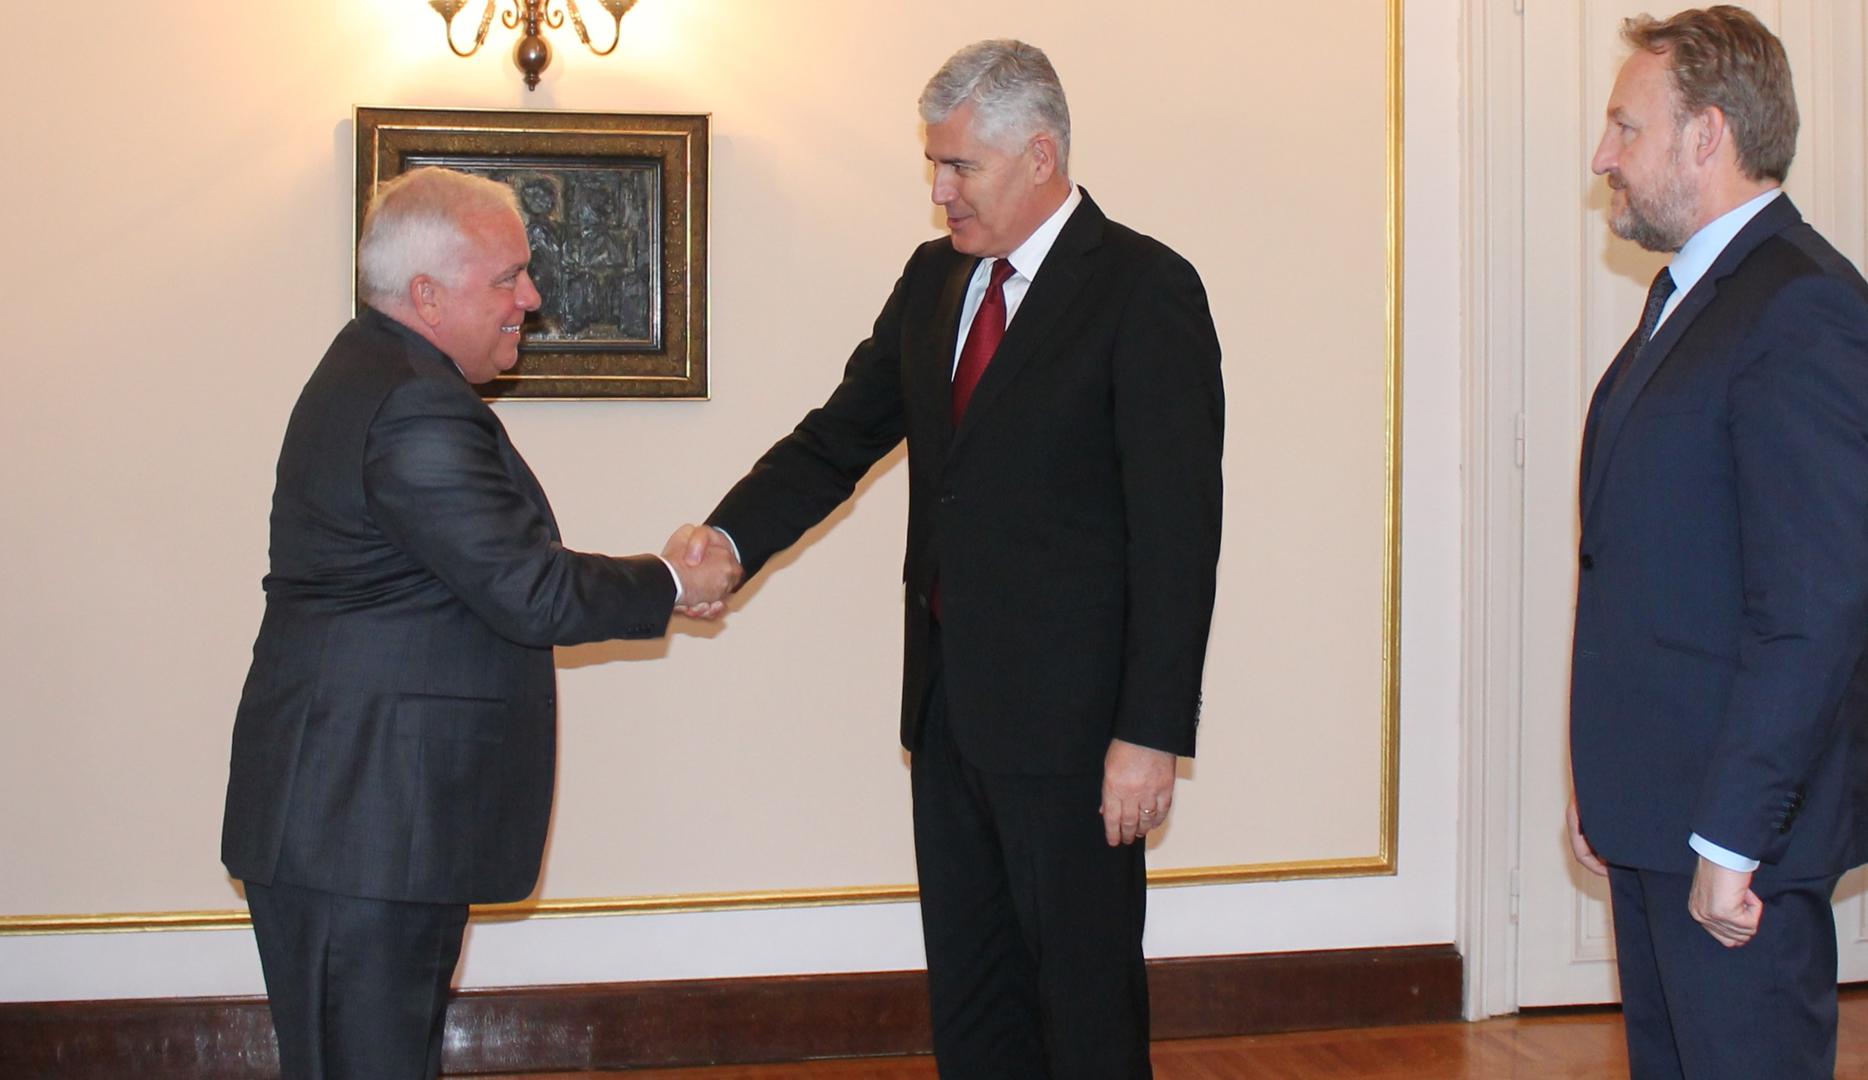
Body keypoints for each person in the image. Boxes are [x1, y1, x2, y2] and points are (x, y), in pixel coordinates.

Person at [676, 39, 1223, 1079]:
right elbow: (838, 437)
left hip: (1075, 734)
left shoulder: (1143, 289)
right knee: (973, 1008)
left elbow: (1178, 533)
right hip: (946, 713)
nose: (938, 192)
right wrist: (729, 539)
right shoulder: (935, 281)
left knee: (1085, 1016)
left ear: (1040, 156)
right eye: (934, 164)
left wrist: (1150, 734)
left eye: (960, 166)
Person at [220, 166, 738, 1080]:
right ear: (427, 295)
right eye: (508, 278)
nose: (530, 299)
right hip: (363, 826)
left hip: (363, 821)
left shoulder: (379, 371)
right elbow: (526, 589)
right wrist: (671, 580)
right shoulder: (411, 402)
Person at [1566, 8, 1868, 1077]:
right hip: (1657, 817)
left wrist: (1733, 838)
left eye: (1625, 126)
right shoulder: (1689, 295)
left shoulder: (1801, 306)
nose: (1602, 156)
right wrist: (1602, 781)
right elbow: (1648, 565)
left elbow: (1816, 606)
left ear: (1707, 136)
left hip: (1730, 850)